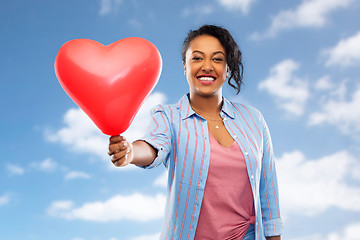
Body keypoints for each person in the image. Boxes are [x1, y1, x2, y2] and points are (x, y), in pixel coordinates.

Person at [108, 25, 283, 240]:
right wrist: (130, 153)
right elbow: (154, 146)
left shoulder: (253, 119)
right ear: (184, 66)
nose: (207, 66)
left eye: (217, 59)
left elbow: (268, 190)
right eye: (197, 58)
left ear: (227, 68)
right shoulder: (169, 116)